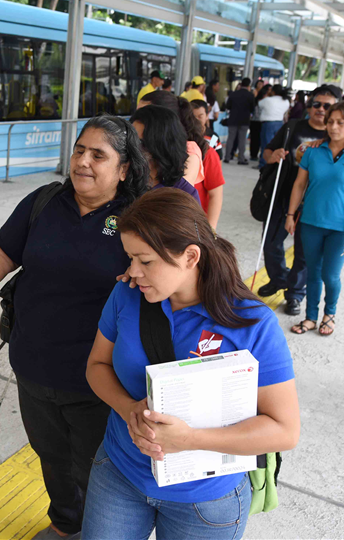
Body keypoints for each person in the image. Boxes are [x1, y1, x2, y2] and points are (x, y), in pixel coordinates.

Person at [0, 115, 149, 540]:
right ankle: (66, 524)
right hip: (34, 363)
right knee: (51, 454)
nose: (83, 162)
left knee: (99, 468)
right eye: (79, 151)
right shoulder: (44, 202)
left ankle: (101, 532)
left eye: (98, 155)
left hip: (99, 378)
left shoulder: (138, 218)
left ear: (124, 169)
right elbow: (3, 251)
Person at [81, 188, 300, 540]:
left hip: (205, 501)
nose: (132, 271)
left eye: (145, 260)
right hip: (121, 475)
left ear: (190, 256)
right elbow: (96, 365)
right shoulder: (127, 294)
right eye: (129, 257)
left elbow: (284, 430)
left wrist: (190, 438)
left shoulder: (250, 322)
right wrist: (128, 410)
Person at [285, 102, 344, 336]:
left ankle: (330, 314)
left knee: (330, 274)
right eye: (330, 121)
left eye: (340, 122)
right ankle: (311, 317)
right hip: (311, 222)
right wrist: (291, 214)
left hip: (342, 227)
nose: (333, 127)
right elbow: (299, 184)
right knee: (313, 272)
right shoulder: (314, 151)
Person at [258, 85, 338, 315]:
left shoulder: (336, 136)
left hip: (314, 202)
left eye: (327, 106)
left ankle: (294, 294)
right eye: (316, 104)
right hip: (283, 194)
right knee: (271, 242)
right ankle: (279, 279)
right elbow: (267, 151)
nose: (321, 109)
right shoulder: (292, 127)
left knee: (305, 252)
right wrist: (272, 156)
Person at [130, 106, 200, 202]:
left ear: (162, 147)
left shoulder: (184, 196)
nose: (131, 147)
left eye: (141, 143)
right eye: (129, 140)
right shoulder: (120, 181)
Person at [138, 90, 203, 187]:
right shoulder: (144, 144)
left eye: (144, 115)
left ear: (167, 118)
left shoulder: (190, 151)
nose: (136, 119)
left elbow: (176, 192)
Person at [190, 99, 226, 228]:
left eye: (201, 116)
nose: (197, 120)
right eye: (193, 117)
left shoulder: (213, 139)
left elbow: (218, 166)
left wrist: (212, 228)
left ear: (207, 116)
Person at [257, 84, 291, 168]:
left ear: (273, 91)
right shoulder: (286, 101)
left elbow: (259, 104)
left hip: (268, 124)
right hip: (280, 123)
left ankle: (263, 164)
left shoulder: (268, 100)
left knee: (266, 144)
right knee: (277, 144)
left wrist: (267, 95)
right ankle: (274, 162)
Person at [224, 78, 256, 164]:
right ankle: (241, 159)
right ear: (249, 85)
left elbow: (228, 106)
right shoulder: (250, 95)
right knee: (242, 140)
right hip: (244, 120)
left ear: (241, 84)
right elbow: (253, 108)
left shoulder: (234, 94)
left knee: (230, 139)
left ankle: (227, 157)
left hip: (233, 119)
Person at [249, 83, 272, 163]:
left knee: (260, 139)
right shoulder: (261, 100)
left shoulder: (267, 100)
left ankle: (258, 155)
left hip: (261, 121)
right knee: (255, 139)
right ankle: (254, 155)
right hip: (256, 121)